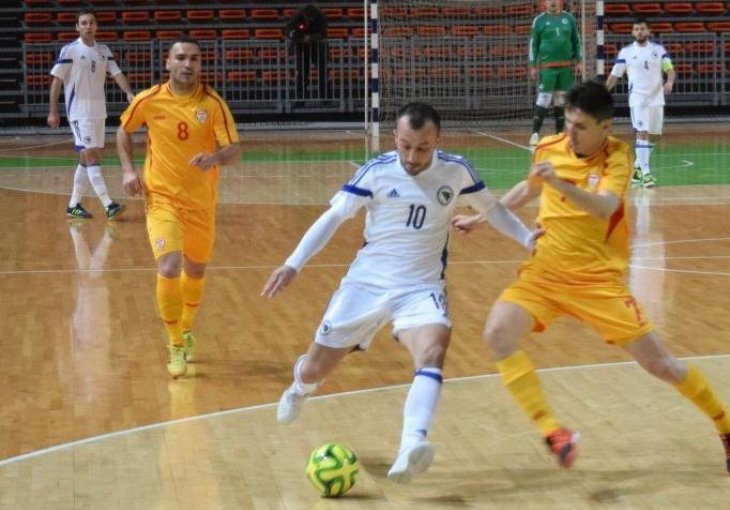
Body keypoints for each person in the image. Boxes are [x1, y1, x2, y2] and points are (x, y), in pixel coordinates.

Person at [452, 81, 730, 473]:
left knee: (662, 365)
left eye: (580, 126)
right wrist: (482, 219)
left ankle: (725, 424)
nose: (571, 132)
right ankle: (554, 432)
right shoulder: (550, 148)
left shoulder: (618, 156)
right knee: (497, 332)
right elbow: (527, 188)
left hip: (599, 281)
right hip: (546, 273)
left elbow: (605, 207)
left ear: (606, 127)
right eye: (567, 123)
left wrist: (560, 184)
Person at [261, 102, 539, 484]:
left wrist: (527, 238)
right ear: (395, 138)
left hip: (421, 287)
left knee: (433, 350)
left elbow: (492, 209)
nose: (412, 156)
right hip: (366, 286)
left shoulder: (456, 170)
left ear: (437, 140)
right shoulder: (376, 172)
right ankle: (299, 385)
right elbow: (333, 217)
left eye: (422, 148)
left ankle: (412, 444)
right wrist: (293, 263)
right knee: (315, 368)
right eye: (406, 145)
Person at [116, 36, 241, 378]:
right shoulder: (150, 99)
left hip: (201, 202)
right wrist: (128, 170)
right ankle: (174, 342)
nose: (189, 64)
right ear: (168, 63)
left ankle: (186, 327)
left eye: (195, 59)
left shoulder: (213, 103)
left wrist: (215, 157)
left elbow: (235, 150)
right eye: (182, 58)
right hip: (161, 198)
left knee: (195, 270)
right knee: (170, 267)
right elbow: (123, 130)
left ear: (201, 64)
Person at [48, 8, 134, 220]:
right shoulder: (70, 50)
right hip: (79, 112)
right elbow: (56, 81)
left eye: (91, 22)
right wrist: (53, 111)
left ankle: (73, 206)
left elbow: (117, 73)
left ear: (96, 26)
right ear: (77, 27)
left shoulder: (103, 50)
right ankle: (109, 205)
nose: (88, 26)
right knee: (92, 156)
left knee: (86, 159)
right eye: (83, 23)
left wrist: (129, 92)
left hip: (98, 112)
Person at [605, 18, 675, 189]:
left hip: (657, 99)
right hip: (638, 99)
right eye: (636, 29)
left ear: (648, 31)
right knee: (641, 133)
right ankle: (646, 173)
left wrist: (670, 81)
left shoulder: (658, 50)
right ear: (632, 32)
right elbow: (615, 75)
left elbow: (670, 69)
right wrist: (603, 92)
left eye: (642, 29)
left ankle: (637, 167)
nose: (639, 32)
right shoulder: (626, 52)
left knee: (655, 136)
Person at [528, 0, 582, 149]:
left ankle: (559, 134)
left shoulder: (569, 18)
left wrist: (579, 61)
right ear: (545, 3)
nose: (552, 2)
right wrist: (533, 65)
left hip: (566, 67)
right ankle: (535, 134)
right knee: (544, 99)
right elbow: (533, 44)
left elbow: (576, 41)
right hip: (547, 68)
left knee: (561, 100)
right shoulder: (539, 20)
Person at [285, 4, 328, 104]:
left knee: (322, 72)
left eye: (310, 20)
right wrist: (296, 35)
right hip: (301, 46)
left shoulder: (320, 17)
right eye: (307, 19)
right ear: (304, 15)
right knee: (302, 73)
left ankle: (325, 98)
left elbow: (323, 33)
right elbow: (289, 29)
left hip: (317, 46)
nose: (308, 22)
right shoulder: (297, 16)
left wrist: (310, 37)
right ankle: (300, 99)